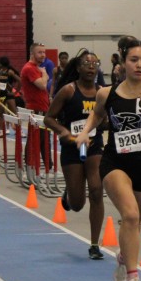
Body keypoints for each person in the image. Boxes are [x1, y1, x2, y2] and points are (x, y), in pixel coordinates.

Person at [74, 37, 141, 281]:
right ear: (123, 63)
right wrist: (85, 132)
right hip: (115, 162)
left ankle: (122, 258)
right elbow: (97, 113)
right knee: (129, 215)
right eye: (134, 60)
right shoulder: (107, 93)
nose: (139, 65)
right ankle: (133, 277)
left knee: (134, 222)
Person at [44, 50, 106, 260]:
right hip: (72, 148)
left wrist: (104, 124)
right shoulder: (68, 91)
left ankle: (95, 245)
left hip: (94, 146)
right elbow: (49, 118)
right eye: (87, 63)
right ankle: (69, 196)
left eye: (95, 63)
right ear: (78, 67)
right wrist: (64, 131)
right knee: (78, 204)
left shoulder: (102, 93)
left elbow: (106, 120)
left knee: (96, 191)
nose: (91, 67)